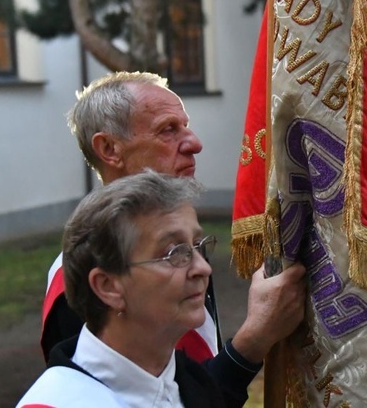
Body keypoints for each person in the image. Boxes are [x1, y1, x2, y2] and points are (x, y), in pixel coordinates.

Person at [41, 71, 307, 368]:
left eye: (185, 126)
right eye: (168, 130)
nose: (194, 143)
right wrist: (254, 340)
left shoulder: (183, 239)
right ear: (109, 149)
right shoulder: (77, 283)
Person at [19, 171, 299, 407]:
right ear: (108, 287)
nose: (203, 268)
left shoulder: (190, 385)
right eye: (175, 252)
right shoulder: (57, 402)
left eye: (199, 246)